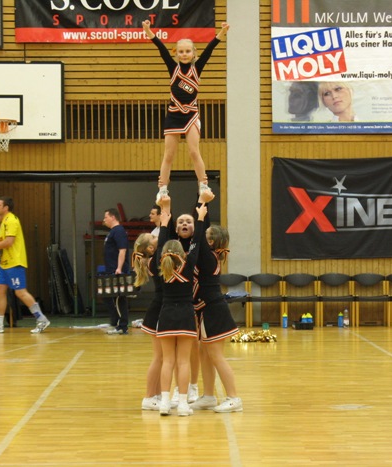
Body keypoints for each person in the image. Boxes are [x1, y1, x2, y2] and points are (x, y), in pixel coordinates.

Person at [142, 20, 230, 202]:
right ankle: (163, 189)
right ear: (176, 54)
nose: (184, 54)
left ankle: (203, 185)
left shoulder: (197, 68)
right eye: (181, 51)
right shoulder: (173, 68)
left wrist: (222, 32)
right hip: (174, 114)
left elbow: (210, 49)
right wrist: (149, 31)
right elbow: (161, 48)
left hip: (191, 114)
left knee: (194, 151)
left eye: (188, 51)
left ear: (193, 53)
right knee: (169, 155)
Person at [157, 199, 207, 416]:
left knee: (167, 361)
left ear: (164, 253)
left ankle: (164, 403)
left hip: (166, 315)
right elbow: (196, 242)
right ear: (183, 253)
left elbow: (161, 243)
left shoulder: (161, 267)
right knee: (183, 361)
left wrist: (164, 223)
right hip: (186, 315)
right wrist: (200, 219)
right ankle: (184, 404)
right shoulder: (189, 264)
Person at [0, 196, 50, 334]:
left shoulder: (11, 220)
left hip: (14, 262)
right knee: (0, 289)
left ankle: (41, 318)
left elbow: (9, 242)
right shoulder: (4, 221)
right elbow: (5, 243)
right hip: (5, 263)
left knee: (20, 292)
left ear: (6, 208)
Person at [190, 224, 243, 413]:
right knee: (204, 353)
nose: (200, 236)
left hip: (213, 310)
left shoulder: (208, 256)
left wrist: (201, 213)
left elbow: (198, 234)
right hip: (205, 309)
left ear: (210, 242)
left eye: (205, 235)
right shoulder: (208, 256)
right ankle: (208, 396)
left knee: (216, 355)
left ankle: (234, 398)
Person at [132, 231, 162, 410]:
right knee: (159, 357)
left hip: (159, 309)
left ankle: (157, 395)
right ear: (151, 248)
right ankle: (149, 397)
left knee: (162, 358)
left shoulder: (153, 259)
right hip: (157, 312)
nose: (157, 236)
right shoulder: (154, 260)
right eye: (153, 237)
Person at [102, 208, 130, 335]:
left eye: (106, 217)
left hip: (117, 270)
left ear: (113, 217)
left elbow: (122, 250)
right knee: (109, 297)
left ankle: (122, 326)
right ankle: (117, 322)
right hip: (111, 269)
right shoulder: (112, 232)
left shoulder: (118, 231)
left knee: (119, 298)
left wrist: (119, 268)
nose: (104, 220)